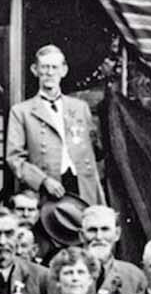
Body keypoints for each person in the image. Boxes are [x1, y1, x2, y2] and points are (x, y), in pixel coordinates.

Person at [6, 43, 103, 209]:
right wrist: (43, 180)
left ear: (63, 71)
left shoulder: (80, 108)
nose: (50, 73)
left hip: (83, 186)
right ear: (35, 70)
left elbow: (95, 149)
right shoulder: (21, 111)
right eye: (44, 67)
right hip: (48, 188)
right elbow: (14, 159)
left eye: (54, 67)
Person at [79, 206, 146, 294]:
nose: (99, 237)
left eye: (105, 229)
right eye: (92, 230)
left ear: (117, 234)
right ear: (82, 236)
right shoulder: (66, 273)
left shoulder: (134, 277)